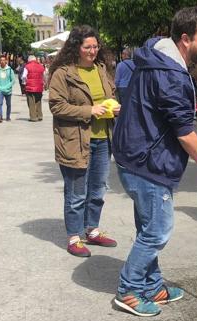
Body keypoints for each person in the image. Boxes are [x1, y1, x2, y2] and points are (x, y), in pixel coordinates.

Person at [112, 7, 197, 317]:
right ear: (186, 39)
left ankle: (151, 285)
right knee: (158, 230)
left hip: (134, 155)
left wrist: (189, 101)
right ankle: (129, 290)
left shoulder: (159, 57)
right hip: (147, 162)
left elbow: (164, 104)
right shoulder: (170, 73)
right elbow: (184, 133)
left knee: (148, 225)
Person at [48, 25, 120, 258]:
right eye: (87, 47)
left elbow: (110, 95)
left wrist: (113, 107)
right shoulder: (63, 73)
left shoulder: (102, 69)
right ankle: (74, 237)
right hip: (74, 141)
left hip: (103, 139)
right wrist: (90, 110)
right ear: (76, 47)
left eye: (95, 46)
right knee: (77, 193)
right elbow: (57, 106)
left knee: (98, 189)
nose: (92, 51)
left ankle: (92, 230)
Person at [0, 55, 16, 123]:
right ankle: (0, 116)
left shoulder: (10, 70)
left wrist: (6, 87)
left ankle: (8, 116)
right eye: (1, 60)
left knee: (8, 104)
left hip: (8, 91)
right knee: (0, 103)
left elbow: (13, 80)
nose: (2, 61)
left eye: (4, 60)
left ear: (6, 61)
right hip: (0, 90)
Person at [23, 55, 45, 122]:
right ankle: (39, 115)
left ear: (29, 60)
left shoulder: (27, 66)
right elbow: (44, 76)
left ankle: (33, 117)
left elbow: (24, 76)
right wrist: (44, 83)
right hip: (39, 86)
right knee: (38, 101)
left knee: (31, 102)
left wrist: (24, 83)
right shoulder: (41, 66)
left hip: (30, 87)